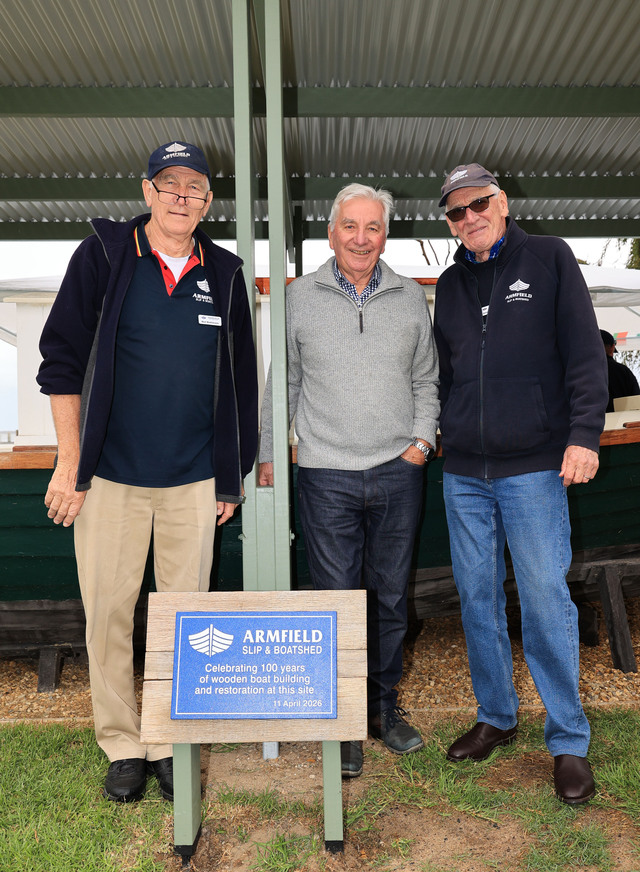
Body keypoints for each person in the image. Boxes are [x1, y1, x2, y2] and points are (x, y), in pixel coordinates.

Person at [37, 141, 258, 803]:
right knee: (108, 615)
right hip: (108, 478)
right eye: (169, 185)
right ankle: (122, 743)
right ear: (147, 192)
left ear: (208, 201)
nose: (181, 198)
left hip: (193, 481)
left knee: (183, 622)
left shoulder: (226, 272)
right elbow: (60, 362)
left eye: (194, 188)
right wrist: (70, 461)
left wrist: (230, 476)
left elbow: (241, 380)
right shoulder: (104, 256)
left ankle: (167, 741)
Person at [433, 163, 608, 805]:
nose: (469, 217)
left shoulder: (550, 258)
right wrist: (442, 430)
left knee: (543, 599)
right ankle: (497, 717)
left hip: (535, 466)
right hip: (464, 472)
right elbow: (445, 373)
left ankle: (568, 739)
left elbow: (585, 355)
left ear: (502, 203)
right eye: (456, 211)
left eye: (479, 203)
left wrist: (583, 435)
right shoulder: (449, 283)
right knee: (476, 597)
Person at [258, 183, 440, 778]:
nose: (362, 238)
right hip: (325, 473)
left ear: (385, 234)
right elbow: (283, 381)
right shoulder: (298, 297)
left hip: (398, 471)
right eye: (351, 226)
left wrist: (420, 443)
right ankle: (342, 722)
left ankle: (382, 709)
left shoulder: (409, 297)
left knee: (389, 598)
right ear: (331, 232)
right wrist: (269, 452)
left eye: (373, 227)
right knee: (335, 603)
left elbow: (426, 380)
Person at [600, 329, 640, 412]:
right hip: (621, 418)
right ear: (612, 348)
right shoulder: (624, 372)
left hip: (590, 418)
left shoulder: (581, 371)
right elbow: (636, 400)